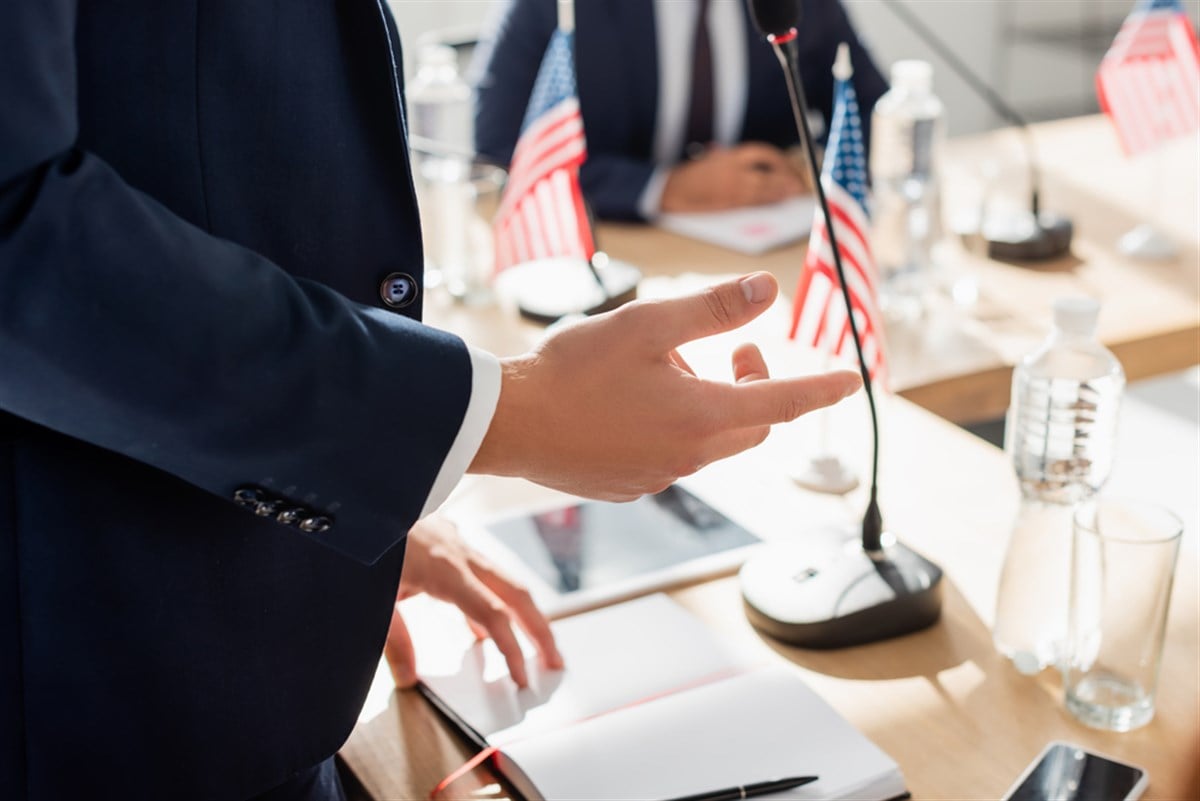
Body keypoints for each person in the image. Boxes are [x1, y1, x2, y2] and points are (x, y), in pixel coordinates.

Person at [0, 3, 860, 800]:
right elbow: (18, 230)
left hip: (244, 610)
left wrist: (353, 481)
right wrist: (495, 415)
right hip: (100, 691)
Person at [473, 0, 888, 221]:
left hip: (762, 254)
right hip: (616, 264)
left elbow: (873, 109)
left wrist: (809, 164)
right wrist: (663, 188)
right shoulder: (550, 5)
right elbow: (499, 155)